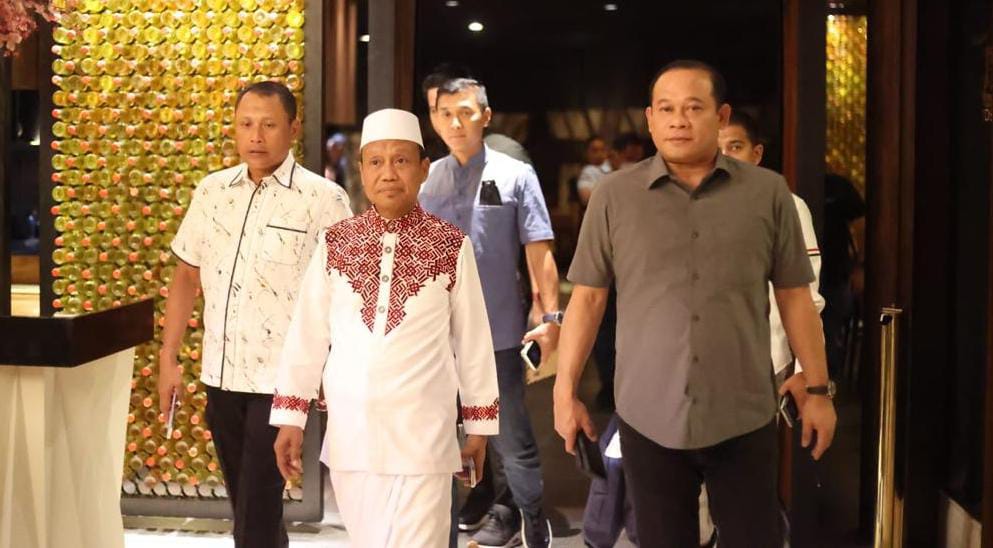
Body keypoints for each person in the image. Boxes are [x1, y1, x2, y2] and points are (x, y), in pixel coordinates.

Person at [554, 60, 837, 547]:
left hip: (743, 414)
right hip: (648, 416)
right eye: (666, 109)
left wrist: (818, 390)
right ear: (650, 119)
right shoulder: (614, 196)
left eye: (693, 108)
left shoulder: (768, 193)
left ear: (721, 116)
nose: (678, 121)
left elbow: (795, 297)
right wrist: (565, 392)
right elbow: (588, 299)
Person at [269, 108, 499, 547]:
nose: (388, 173)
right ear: (361, 170)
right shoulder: (335, 243)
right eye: (376, 161)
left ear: (423, 169)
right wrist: (290, 420)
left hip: (425, 440)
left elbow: (473, 342)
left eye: (401, 160)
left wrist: (479, 429)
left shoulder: (451, 246)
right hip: (352, 438)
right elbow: (308, 335)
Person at [158, 81, 352, 548]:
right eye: (246, 124)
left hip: (283, 380)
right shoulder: (212, 191)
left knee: (256, 509)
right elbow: (186, 276)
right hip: (220, 373)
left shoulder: (323, 198)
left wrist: (330, 368)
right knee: (249, 504)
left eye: (268, 125)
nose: (256, 136)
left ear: (293, 129)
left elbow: (345, 293)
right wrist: (168, 357)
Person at [421, 77, 560, 548]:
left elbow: (538, 249)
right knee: (439, 436)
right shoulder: (427, 178)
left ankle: (532, 523)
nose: (455, 123)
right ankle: (439, 529)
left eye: (465, 112)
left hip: (498, 330)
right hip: (435, 335)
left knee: (511, 438)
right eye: (445, 114)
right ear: (434, 119)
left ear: (485, 115)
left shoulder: (515, 174)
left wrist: (551, 317)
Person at [576, 136, 610, 206]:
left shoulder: (611, 166)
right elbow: (585, 198)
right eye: (595, 150)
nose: (599, 154)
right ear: (586, 153)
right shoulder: (587, 172)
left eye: (602, 150)